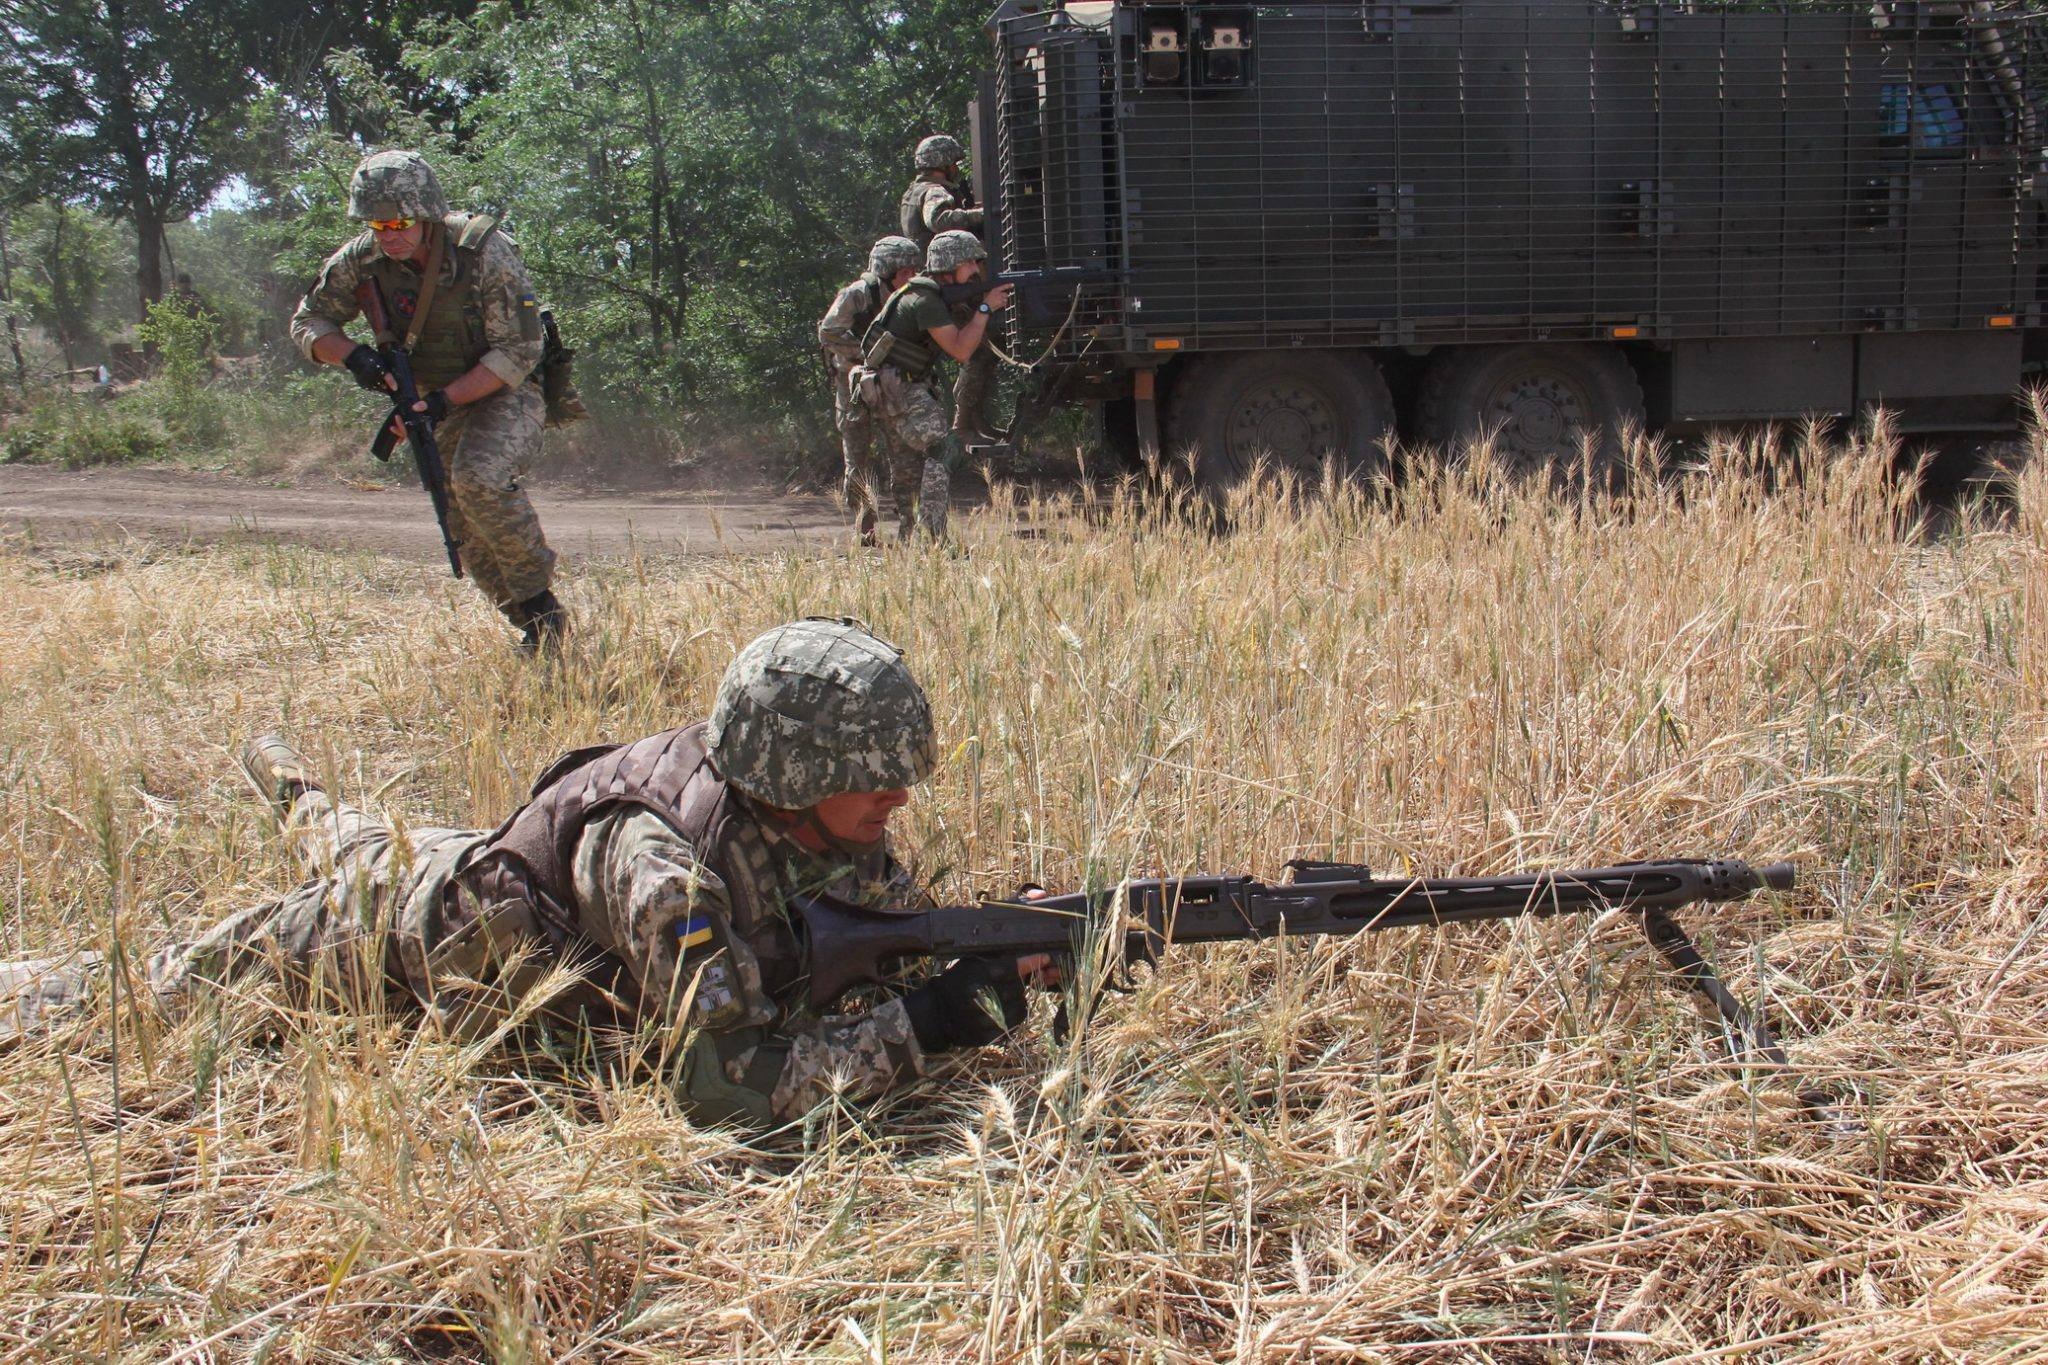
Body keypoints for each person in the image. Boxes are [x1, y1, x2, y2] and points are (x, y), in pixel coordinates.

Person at [0, 619, 1055, 1130]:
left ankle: (285, 778)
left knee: (352, 831)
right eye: (874, 780)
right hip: (406, 940)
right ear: (794, 771)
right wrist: (933, 1026)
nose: (898, 802)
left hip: (474, 873)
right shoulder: (662, 879)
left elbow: (883, 928)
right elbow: (726, 1091)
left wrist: (1019, 944)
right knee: (148, 991)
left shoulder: (823, 821)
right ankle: (264, 788)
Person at [290, 150, 567, 652]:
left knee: (478, 478)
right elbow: (308, 323)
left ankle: (540, 603)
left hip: (502, 389)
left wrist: (443, 401)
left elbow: (519, 350)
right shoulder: (362, 259)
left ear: (427, 216)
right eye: (378, 223)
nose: (389, 234)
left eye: (399, 222)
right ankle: (528, 626)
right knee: (458, 520)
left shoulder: (482, 252)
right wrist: (354, 357)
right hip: (429, 402)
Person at [855, 231, 1013, 541]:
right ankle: (932, 535)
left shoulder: (924, 294)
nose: (976, 270)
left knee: (908, 470)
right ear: (950, 266)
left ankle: (911, 537)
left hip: (887, 387)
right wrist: (985, 309)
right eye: (969, 263)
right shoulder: (925, 300)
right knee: (946, 449)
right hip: (899, 387)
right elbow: (961, 350)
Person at [819, 236, 923, 545]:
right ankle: (866, 529)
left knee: (905, 457)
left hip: (891, 385)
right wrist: (868, 353)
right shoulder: (858, 295)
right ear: (887, 270)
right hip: (853, 387)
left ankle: (910, 527)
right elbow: (829, 332)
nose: (913, 274)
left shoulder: (911, 298)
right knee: (858, 459)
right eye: (907, 269)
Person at [899, 134, 1001, 446]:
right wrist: (986, 214)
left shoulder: (914, 191)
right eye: (954, 162)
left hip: (936, 281)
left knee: (983, 348)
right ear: (943, 163)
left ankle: (973, 420)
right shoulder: (932, 191)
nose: (957, 168)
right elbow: (939, 220)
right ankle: (963, 424)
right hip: (943, 283)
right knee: (979, 349)